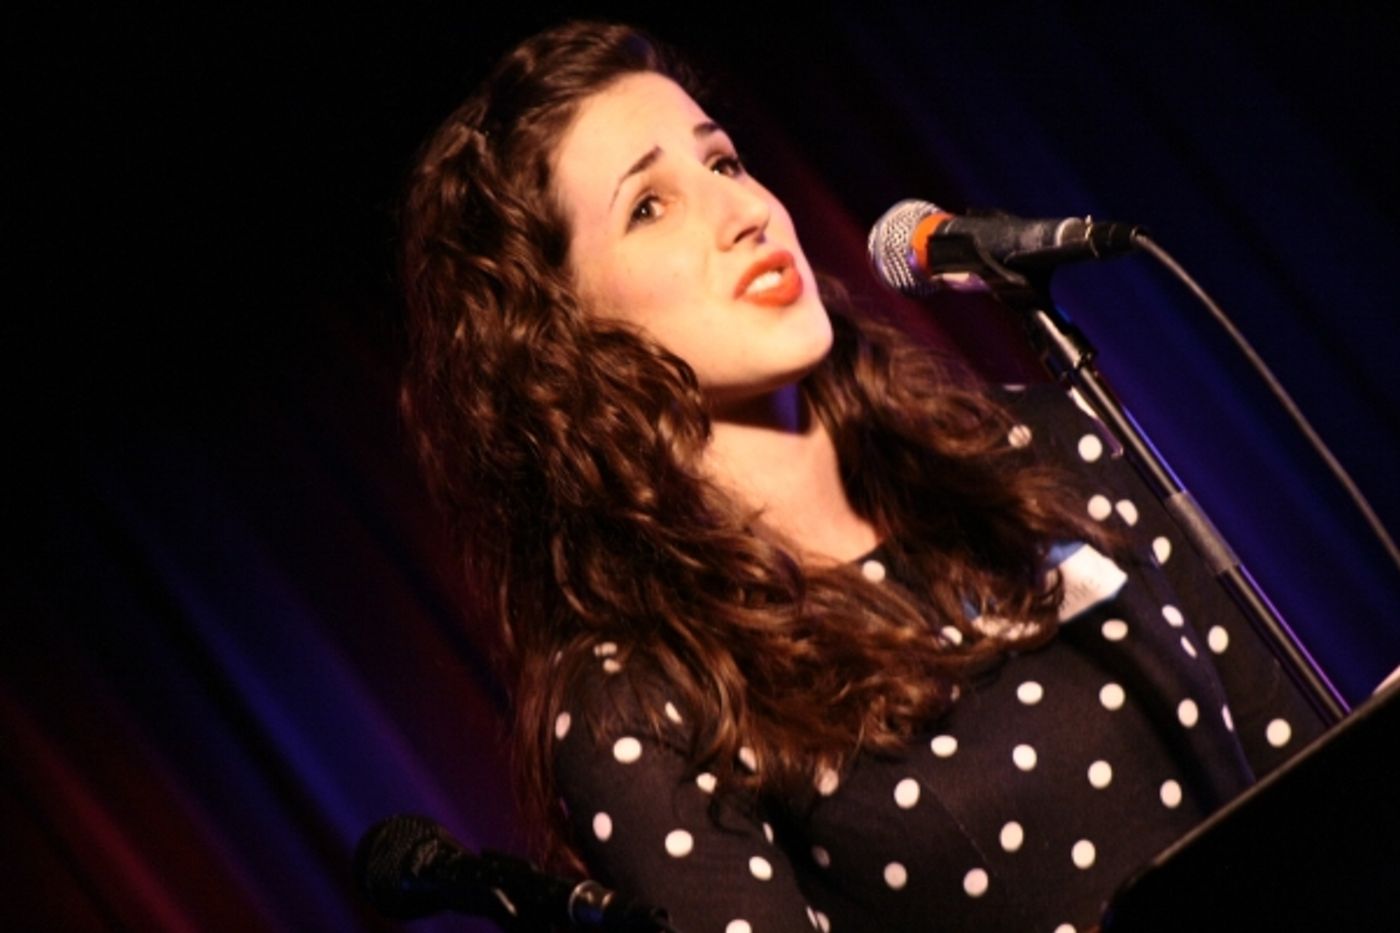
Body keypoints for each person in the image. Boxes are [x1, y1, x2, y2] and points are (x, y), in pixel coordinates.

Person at [399, 20, 1324, 933]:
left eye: (723, 162)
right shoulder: (643, 697)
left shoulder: (1037, 447)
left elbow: (1302, 768)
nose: (744, 211)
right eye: (649, 206)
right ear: (562, 339)